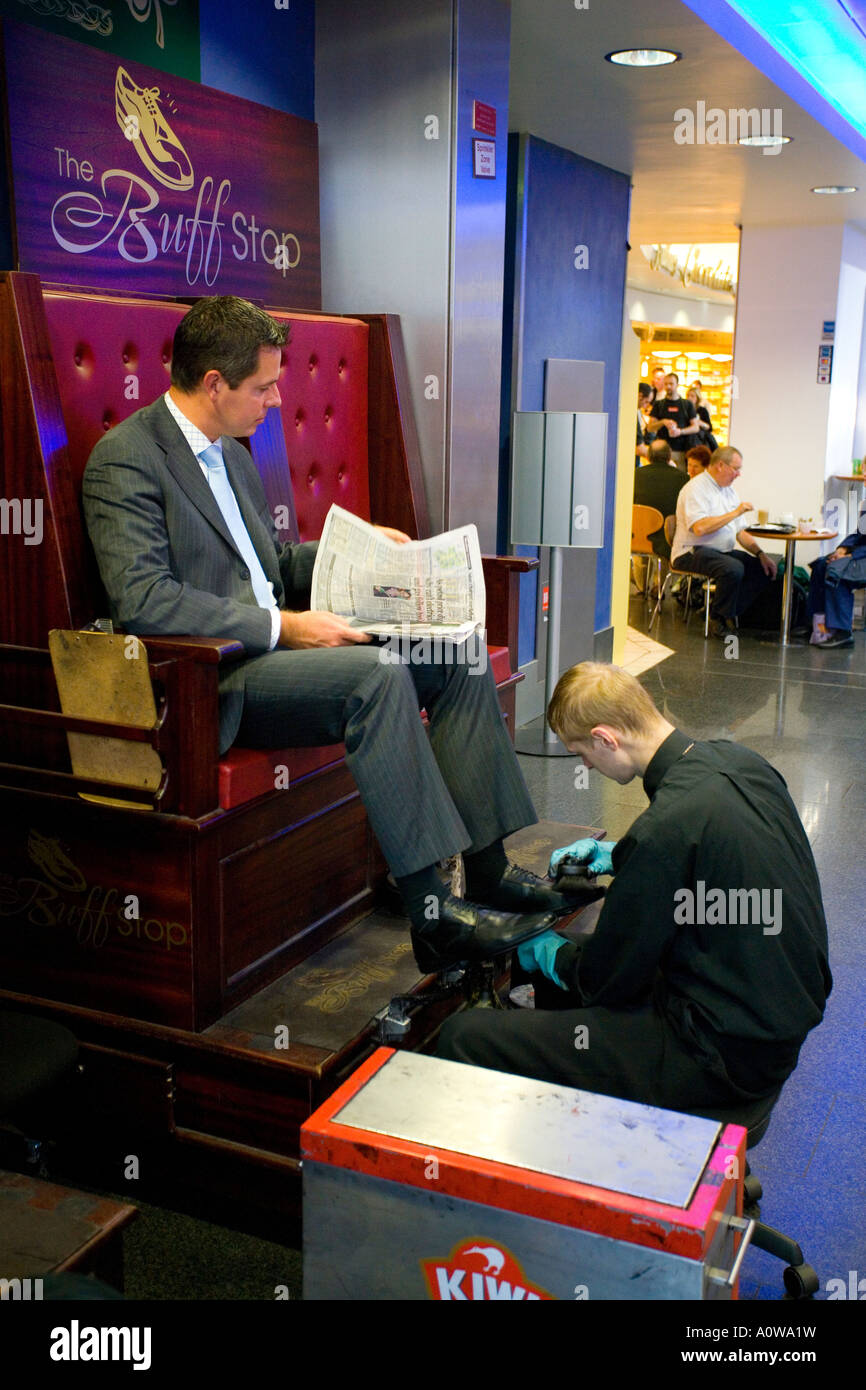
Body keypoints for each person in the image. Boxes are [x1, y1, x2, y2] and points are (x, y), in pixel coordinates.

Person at [82, 295, 565, 971]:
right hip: (213, 679)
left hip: (275, 651)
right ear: (213, 384)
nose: (276, 400)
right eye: (265, 386)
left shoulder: (233, 454)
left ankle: (485, 869)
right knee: (377, 675)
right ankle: (433, 915)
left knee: (456, 653)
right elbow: (144, 602)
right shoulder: (126, 459)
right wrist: (282, 627)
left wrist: (369, 548)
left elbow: (271, 565)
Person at [438, 663, 832, 1116]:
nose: (585, 764)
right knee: (567, 958)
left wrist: (545, 951)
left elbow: (604, 982)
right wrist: (620, 855)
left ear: (606, 738)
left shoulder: (663, 830)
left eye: (582, 752)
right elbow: (712, 846)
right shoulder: (740, 763)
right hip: (770, 1021)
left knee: (463, 1036)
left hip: (718, 1057)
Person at [670, 445, 778, 637]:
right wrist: (736, 512)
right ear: (720, 465)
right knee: (733, 568)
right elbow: (700, 528)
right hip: (691, 551)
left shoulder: (728, 491)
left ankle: (722, 610)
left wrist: (761, 554)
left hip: (719, 551)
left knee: (764, 569)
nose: (738, 475)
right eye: (736, 469)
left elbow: (740, 531)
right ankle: (718, 618)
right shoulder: (695, 489)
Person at [803, 501, 866, 648]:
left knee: (837, 572)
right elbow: (860, 532)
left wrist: (851, 556)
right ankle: (815, 624)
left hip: (861, 555)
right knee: (821, 566)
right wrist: (842, 549)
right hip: (859, 553)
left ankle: (843, 631)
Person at [633, 439, 687, 562]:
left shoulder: (634, 475)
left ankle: (640, 580)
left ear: (648, 456)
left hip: (637, 536)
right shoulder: (683, 478)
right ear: (669, 456)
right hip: (668, 540)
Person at [649, 373, 700, 468]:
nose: (668, 386)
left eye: (671, 384)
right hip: (662, 452)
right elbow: (650, 428)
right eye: (666, 384)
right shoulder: (658, 404)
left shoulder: (687, 404)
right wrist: (663, 422)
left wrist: (680, 431)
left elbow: (695, 427)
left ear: (677, 385)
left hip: (682, 451)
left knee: (680, 480)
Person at [686, 385, 717, 452]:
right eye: (688, 396)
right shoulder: (684, 410)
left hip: (700, 440)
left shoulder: (702, 410)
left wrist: (700, 423)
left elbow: (709, 428)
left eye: (692, 396)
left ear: (697, 398)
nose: (689, 398)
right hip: (687, 441)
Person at [635, 382, 652, 463]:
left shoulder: (638, 412)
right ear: (640, 395)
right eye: (646, 402)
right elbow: (639, 449)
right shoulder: (632, 413)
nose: (646, 406)